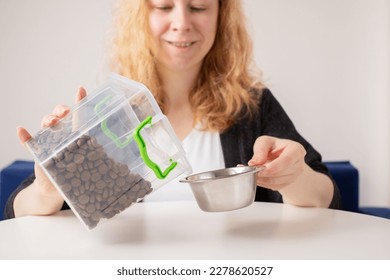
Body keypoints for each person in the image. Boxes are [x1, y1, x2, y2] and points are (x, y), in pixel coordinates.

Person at [4, 0, 340, 219]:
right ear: (141, 16)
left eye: (198, 6)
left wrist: (294, 177)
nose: (181, 22)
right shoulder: (108, 116)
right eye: (164, 6)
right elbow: (18, 212)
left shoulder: (251, 105)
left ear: (221, 15)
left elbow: (327, 197)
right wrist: (48, 189)